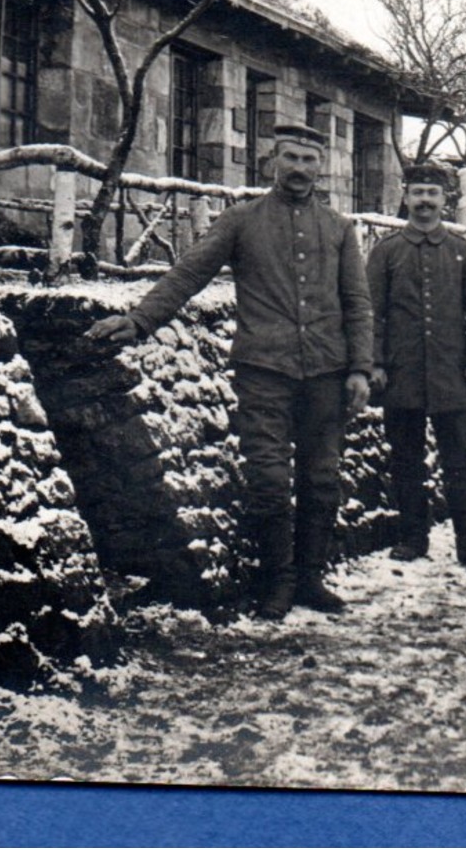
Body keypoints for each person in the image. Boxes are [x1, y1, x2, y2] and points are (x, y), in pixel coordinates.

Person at [85, 124, 373, 619]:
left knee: (323, 479)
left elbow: (357, 302)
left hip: (327, 371)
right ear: (271, 161)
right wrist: (139, 320)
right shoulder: (241, 220)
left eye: (309, 159)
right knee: (268, 478)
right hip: (263, 370)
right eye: (290, 158)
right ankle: (277, 581)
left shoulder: (339, 228)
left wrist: (361, 368)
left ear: (320, 166)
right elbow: (189, 274)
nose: (300, 168)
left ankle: (310, 579)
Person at [366, 163, 466, 573]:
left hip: (452, 376)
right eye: (418, 192)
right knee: (406, 460)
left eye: (433, 194)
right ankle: (413, 537)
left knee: (460, 461)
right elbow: (372, 313)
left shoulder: (462, 252)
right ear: (405, 197)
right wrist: (375, 362)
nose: (425, 201)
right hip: (401, 376)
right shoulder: (387, 251)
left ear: (445, 201)